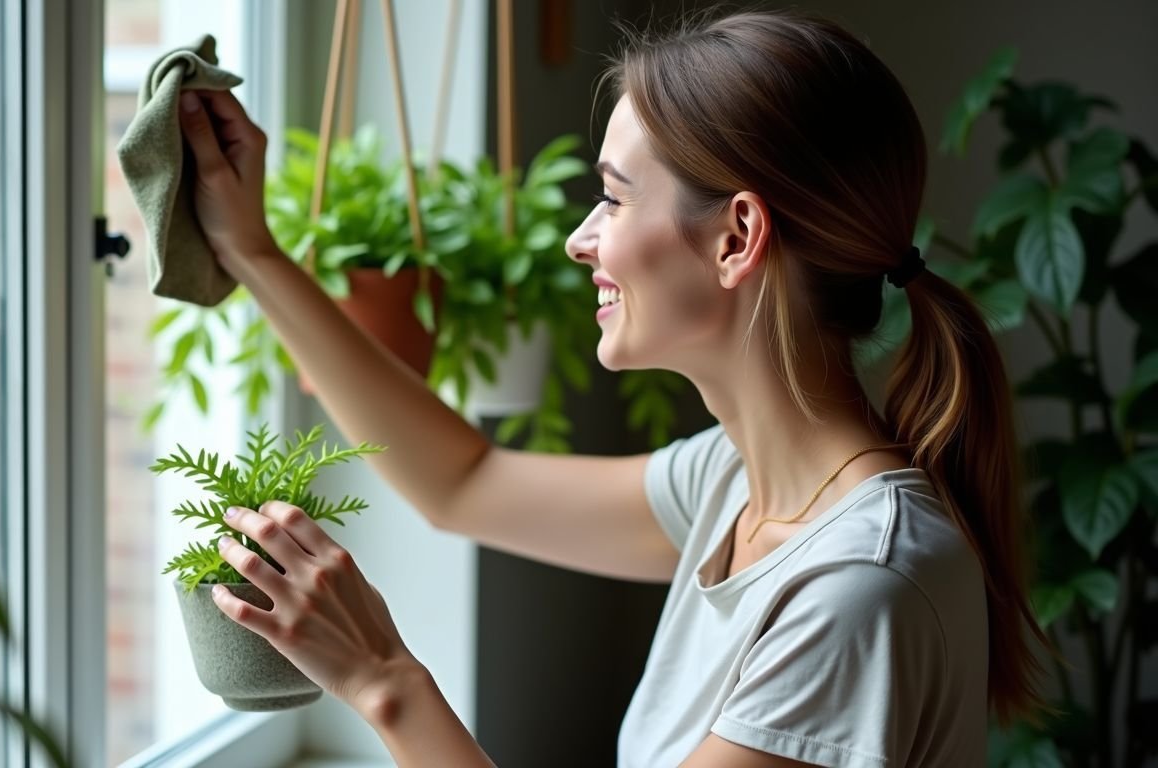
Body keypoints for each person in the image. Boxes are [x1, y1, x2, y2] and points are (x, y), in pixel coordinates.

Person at [177, 9, 1045, 767]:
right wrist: (252, 252)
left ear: (738, 237)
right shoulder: (738, 484)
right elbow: (464, 483)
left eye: (616, 199)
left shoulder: (854, 588)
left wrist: (382, 679)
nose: (580, 240)